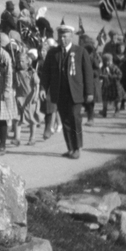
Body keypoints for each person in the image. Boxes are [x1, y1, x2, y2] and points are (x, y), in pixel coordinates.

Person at [41, 23, 95, 159]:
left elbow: (88, 73)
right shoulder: (53, 53)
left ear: (71, 37)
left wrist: (89, 92)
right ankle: (70, 148)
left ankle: (77, 148)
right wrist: (43, 88)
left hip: (75, 93)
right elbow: (46, 73)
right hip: (60, 93)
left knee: (75, 118)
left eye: (65, 36)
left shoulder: (80, 52)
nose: (62, 39)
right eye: (60, 36)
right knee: (65, 120)